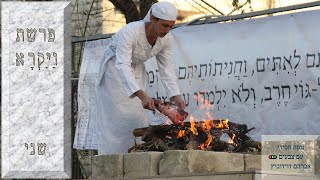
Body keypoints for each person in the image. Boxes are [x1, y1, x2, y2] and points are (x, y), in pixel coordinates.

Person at [96, 1, 185, 154]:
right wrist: (142, 95)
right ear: (153, 18)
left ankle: (135, 158)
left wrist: (175, 95)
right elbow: (122, 64)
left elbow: (166, 68)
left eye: (171, 26)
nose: (167, 30)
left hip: (137, 70)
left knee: (137, 116)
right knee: (117, 120)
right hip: (114, 71)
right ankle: (112, 159)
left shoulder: (166, 39)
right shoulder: (130, 31)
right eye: (164, 25)